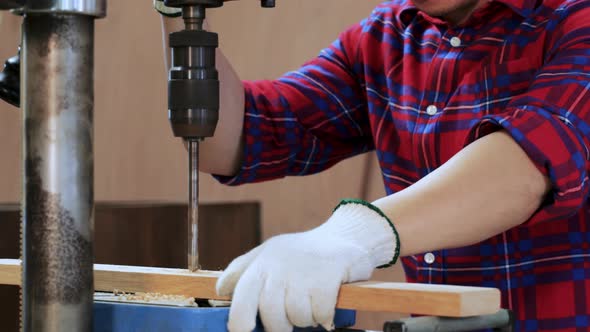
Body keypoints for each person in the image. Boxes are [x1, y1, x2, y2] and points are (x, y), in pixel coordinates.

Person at [158, 0, 590, 331]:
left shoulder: (574, 20)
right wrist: (178, 14)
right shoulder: (388, 34)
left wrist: (354, 233)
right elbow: (238, 139)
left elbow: (531, 162)